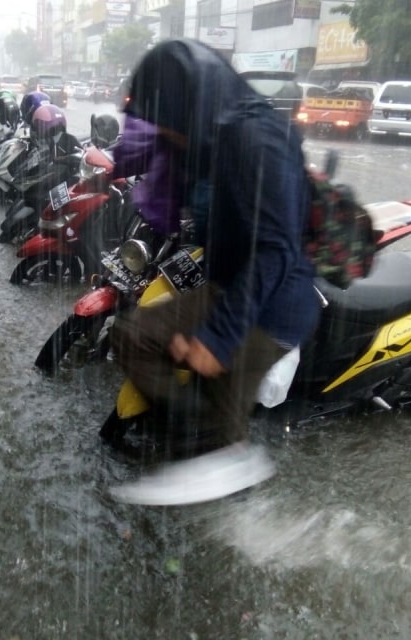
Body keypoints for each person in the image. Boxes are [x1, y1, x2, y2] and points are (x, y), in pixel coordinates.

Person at [109, 38, 321, 506]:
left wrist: (219, 337)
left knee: (186, 365)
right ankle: (204, 451)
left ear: (189, 106)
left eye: (168, 123)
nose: (166, 134)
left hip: (270, 307)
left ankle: (220, 466)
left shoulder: (254, 139)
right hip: (231, 286)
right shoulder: (216, 130)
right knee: (142, 341)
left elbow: (275, 250)